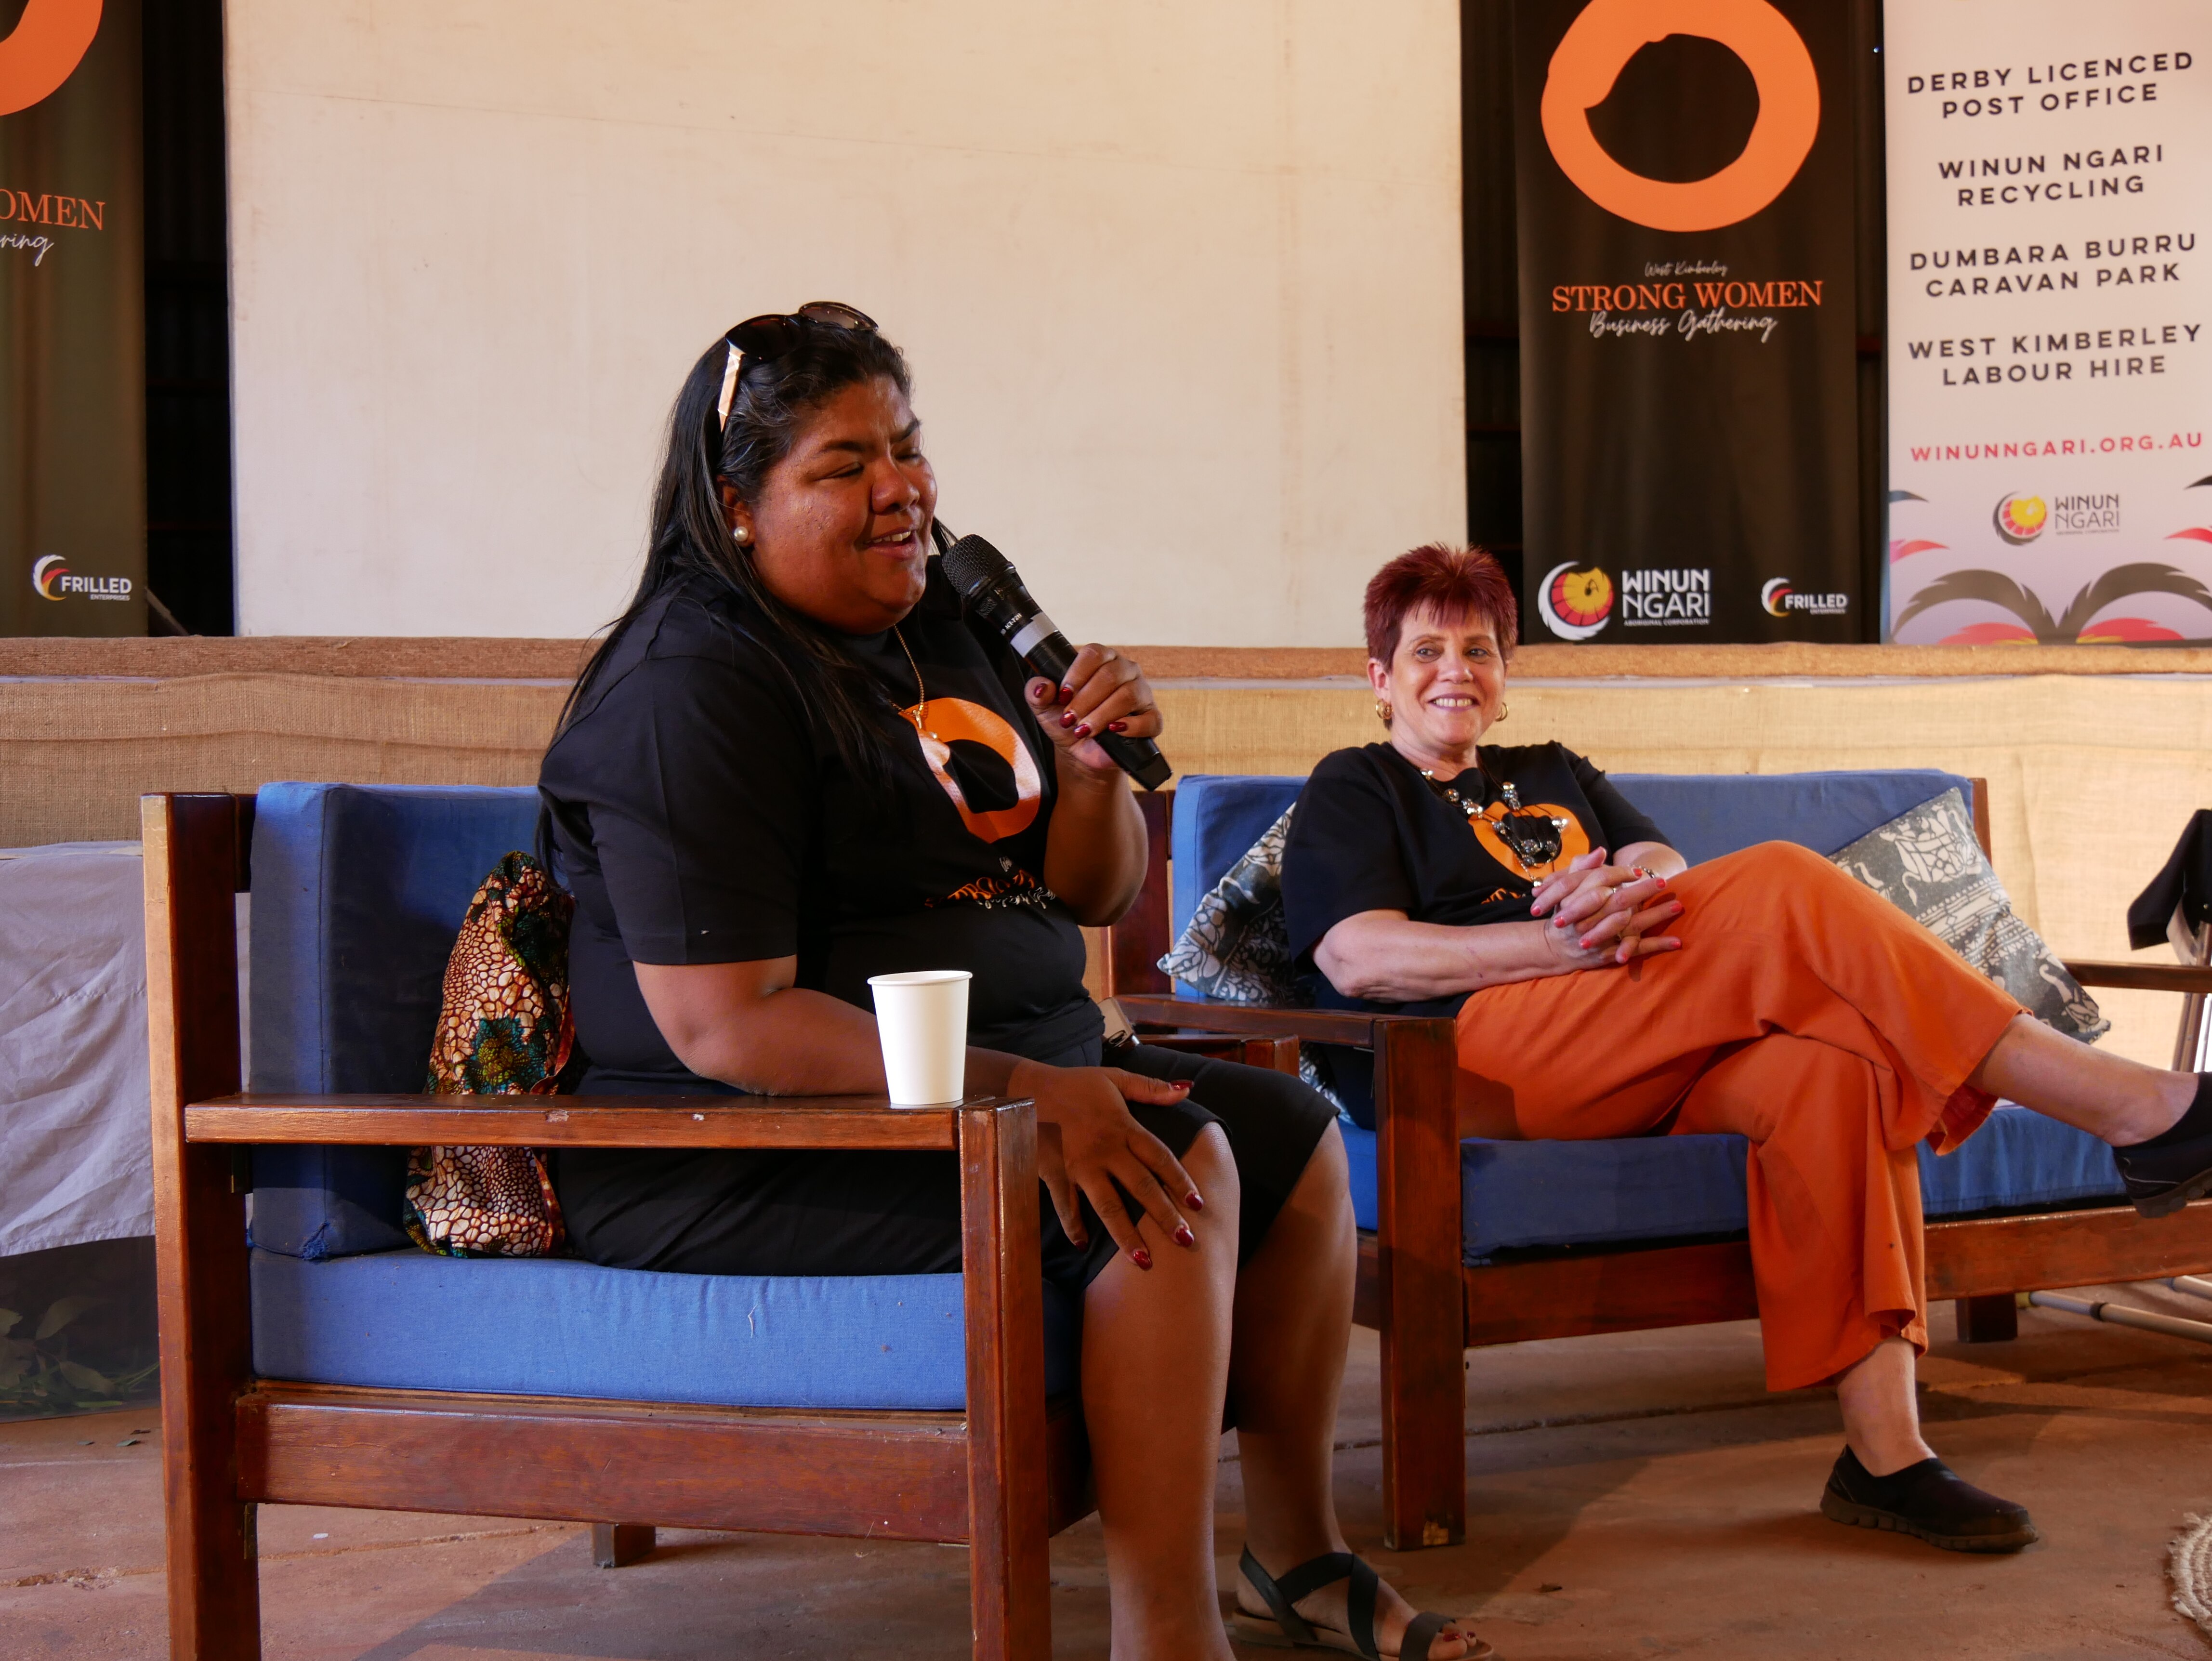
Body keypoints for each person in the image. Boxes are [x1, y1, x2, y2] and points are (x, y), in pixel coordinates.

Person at [536, 307, 1483, 1660]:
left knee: (1292, 1139)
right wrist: (1035, 1096)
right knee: (1171, 1171)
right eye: (845, 464)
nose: (902, 491)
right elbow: (726, 1023)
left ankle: (1297, 1553)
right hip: (735, 1142)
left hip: (989, 1085)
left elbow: (1091, 893)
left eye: (910, 451)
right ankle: (1166, 1631)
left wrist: (1091, 773)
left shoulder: (947, 618)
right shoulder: (697, 684)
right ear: (736, 504)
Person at [1278, 542, 2212, 1556]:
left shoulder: (1548, 770)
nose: (1454, 668)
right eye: (1425, 649)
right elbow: (1358, 953)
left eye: (1480, 647)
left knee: (1836, 1070)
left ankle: (1884, 1454)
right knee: (1779, 879)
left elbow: (1662, 861)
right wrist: (1555, 940)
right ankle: (2134, 1109)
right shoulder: (1357, 785)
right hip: (1478, 1049)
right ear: (1380, 680)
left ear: (1505, 677)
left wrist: (1629, 882)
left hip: (1630, 1024)